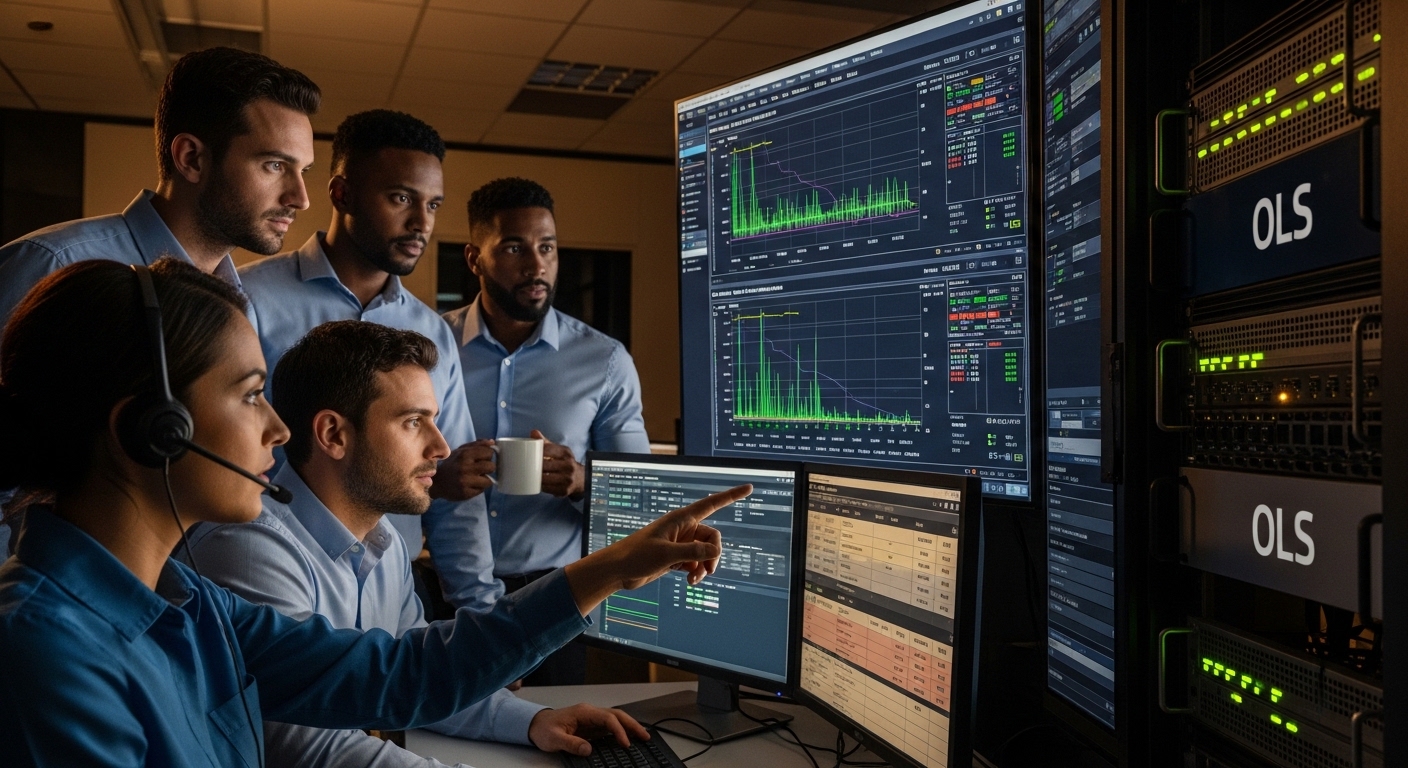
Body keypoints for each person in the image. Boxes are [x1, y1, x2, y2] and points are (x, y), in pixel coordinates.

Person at [0, 258, 749, 766]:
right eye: (250, 393)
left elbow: (397, 673)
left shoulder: (187, 604)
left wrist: (609, 569)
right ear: (154, 427)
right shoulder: (47, 655)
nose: (278, 429)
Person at [183, 320, 645, 766]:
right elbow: (313, 751)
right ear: (333, 435)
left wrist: (533, 722)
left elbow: (420, 679)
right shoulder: (248, 548)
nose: (442, 448)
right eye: (413, 422)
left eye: (435, 420)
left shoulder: (383, 543)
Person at [0, 45, 320, 555]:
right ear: (191, 157)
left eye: (302, 169)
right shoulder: (51, 265)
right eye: (274, 165)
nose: (300, 197)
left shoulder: (236, 304)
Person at [237, 110, 496, 609]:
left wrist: (482, 616)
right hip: (268, 584)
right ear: (341, 194)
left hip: (388, 593)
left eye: (433, 204)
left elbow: (452, 490)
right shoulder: (248, 300)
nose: (421, 223)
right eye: (401, 198)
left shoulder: (430, 331)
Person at [442, 177, 650, 683]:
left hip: (555, 604)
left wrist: (582, 481)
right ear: (474, 259)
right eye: (514, 248)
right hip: (441, 600)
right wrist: (437, 477)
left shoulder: (604, 361)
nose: (537, 266)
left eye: (547, 248)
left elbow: (641, 497)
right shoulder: (432, 348)